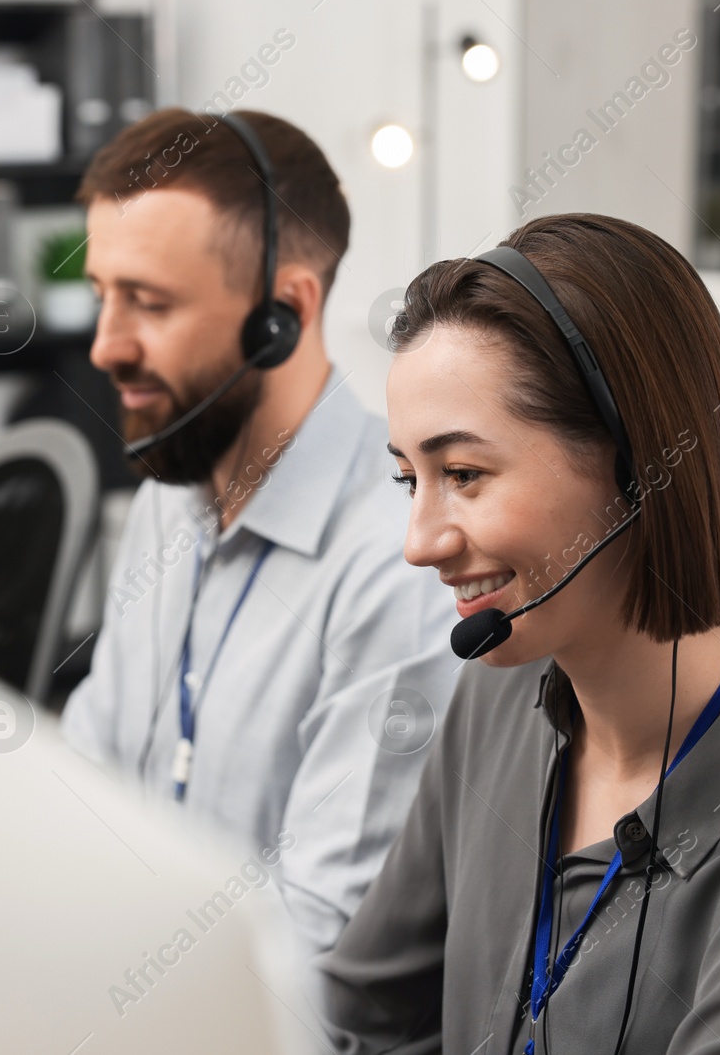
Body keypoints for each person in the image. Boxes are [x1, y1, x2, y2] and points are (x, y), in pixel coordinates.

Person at [319, 213, 720, 1053]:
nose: (420, 541)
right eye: (407, 477)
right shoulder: (498, 696)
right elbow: (361, 1018)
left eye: (463, 474)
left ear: (639, 468)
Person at [60, 108, 471, 955]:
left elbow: (315, 955)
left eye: (148, 302)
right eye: (103, 296)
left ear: (281, 313)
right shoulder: (166, 501)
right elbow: (80, 790)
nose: (105, 345)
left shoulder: (398, 564)